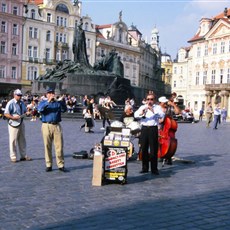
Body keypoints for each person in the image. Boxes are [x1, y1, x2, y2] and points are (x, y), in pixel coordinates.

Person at [134, 92, 165, 175]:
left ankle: (154, 169)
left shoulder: (157, 107)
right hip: (144, 129)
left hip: (153, 129)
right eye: (148, 99)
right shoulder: (142, 107)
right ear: (146, 100)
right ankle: (145, 168)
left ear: (154, 100)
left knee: (153, 150)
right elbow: (135, 115)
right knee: (143, 149)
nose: (149, 101)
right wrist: (141, 113)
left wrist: (153, 110)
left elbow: (162, 115)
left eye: (151, 99)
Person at [37, 88, 67, 172]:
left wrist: (61, 101)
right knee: (47, 146)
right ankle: (48, 164)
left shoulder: (57, 103)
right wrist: (48, 102)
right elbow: (40, 109)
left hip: (56, 125)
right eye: (49, 93)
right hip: (46, 125)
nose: (51, 95)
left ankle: (60, 165)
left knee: (59, 146)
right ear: (46, 95)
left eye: (52, 93)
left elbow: (64, 110)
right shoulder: (43, 102)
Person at [4, 89, 32, 163]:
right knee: (13, 140)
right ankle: (13, 157)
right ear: (14, 95)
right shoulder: (11, 103)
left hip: (21, 122)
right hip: (13, 123)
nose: (19, 97)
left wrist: (28, 113)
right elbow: (6, 113)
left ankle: (23, 155)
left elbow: (25, 111)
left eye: (20, 95)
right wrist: (13, 117)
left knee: (22, 140)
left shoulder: (22, 103)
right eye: (18, 95)